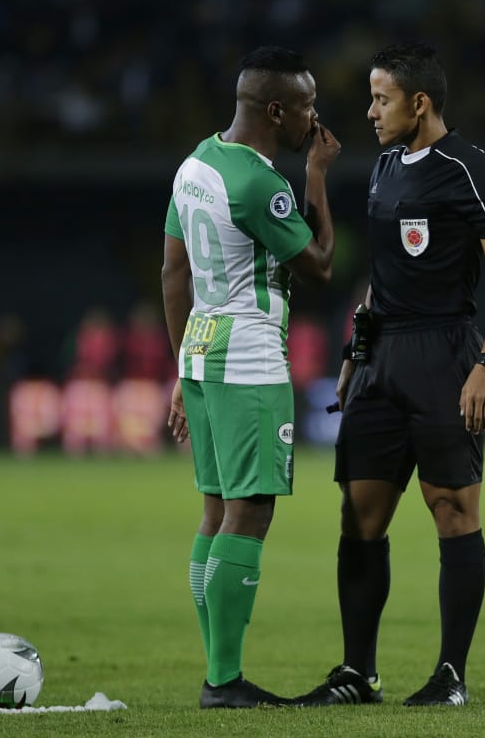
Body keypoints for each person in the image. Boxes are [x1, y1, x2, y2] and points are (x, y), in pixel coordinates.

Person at [292, 43, 485, 708]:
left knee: (452, 509)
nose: (369, 111)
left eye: (381, 98)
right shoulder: (385, 169)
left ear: (418, 102)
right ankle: (356, 673)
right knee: (360, 512)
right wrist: (352, 352)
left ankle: (450, 674)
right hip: (380, 357)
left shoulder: (473, 170)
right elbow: (381, 280)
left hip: (446, 353)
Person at [161, 46, 340, 708]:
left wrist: (180, 365)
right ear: (275, 109)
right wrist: (316, 175)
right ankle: (224, 679)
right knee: (249, 510)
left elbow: (172, 276)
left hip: (203, 350)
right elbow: (322, 263)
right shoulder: (260, 183)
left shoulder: (195, 165)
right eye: (306, 105)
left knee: (214, 510)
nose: (313, 117)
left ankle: (218, 671)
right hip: (250, 357)